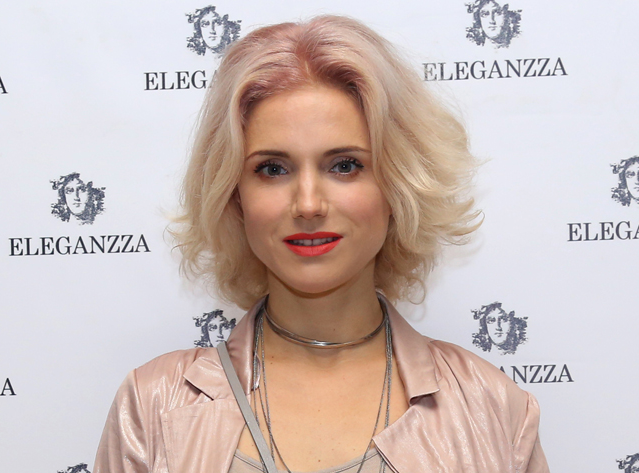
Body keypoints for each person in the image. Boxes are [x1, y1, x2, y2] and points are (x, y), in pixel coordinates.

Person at [94, 15, 548, 473]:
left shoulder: (493, 408)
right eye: (273, 169)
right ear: (234, 196)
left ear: (399, 184)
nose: (308, 204)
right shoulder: (152, 407)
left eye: (344, 165)